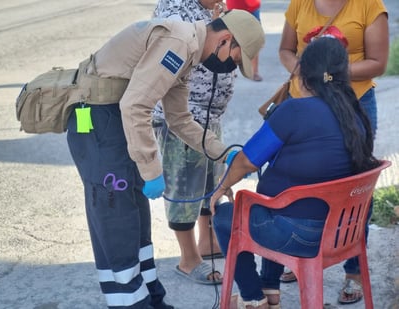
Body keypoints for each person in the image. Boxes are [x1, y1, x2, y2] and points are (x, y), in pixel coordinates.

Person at [66, 9, 264, 309]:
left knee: (136, 219)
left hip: (114, 120)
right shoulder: (178, 44)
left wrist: (222, 151)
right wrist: (151, 170)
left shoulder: (188, 52)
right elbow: (135, 106)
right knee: (117, 219)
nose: (231, 67)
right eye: (235, 59)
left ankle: (151, 299)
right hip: (95, 119)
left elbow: (180, 120)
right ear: (225, 40)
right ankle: (130, 303)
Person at [210, 37, 380, 309]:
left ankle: (254, 298)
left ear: (302, 73)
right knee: (274, 200)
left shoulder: (293, 111)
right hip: (342, 232)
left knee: (226, 214)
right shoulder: (356, 114)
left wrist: (220, 189)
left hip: (299, 236)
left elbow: (246, 162)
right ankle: (270, 288)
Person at [277, 0, 389, 304]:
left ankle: (353, 272)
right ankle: (296, 254)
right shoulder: (299, 3)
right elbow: (286, 49)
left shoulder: (369, 5)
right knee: (297, 179)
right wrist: (301, 72)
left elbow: (378, 62)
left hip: (355, 102)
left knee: (355, 184)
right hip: (302, 101)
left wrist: (328, 75)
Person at [152, 0, 240, 285]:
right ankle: (188, 258)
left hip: (210, 112)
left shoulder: (215, 6)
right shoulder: (175, 12)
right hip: (181, 117)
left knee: (208, 183)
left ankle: (208, 241)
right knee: (184, 188)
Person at [226, 0, 263, 81]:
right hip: (234, 7)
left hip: (252, 6)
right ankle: (230, 71)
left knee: (254, 39)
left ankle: (255, 71)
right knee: (231, 40)